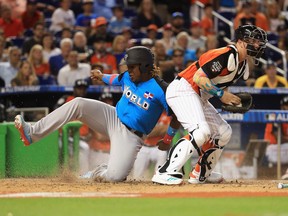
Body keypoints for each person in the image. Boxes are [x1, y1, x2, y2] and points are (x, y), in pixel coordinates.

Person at [14, 46, 180, 182]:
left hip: (131, 135)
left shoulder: (161, 89)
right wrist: (102, 76)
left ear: (144, 66)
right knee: (78, 103)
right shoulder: (128, 77)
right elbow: (116, 78)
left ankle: (98, 172)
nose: (128, 71)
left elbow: (175, 116)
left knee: (114, 177)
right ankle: (32, 132)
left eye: (132, 67)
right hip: (112, 117)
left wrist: (167, 139)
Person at [152, 24, 268, 185]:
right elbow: (199, 78)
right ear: (241, 42)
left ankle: (200, 174)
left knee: (224, 132)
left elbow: (216, 84)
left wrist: (229, 98)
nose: (257, 45)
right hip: (183, 88)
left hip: (198, 95)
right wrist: (221, 95)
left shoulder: (242, 65)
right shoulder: (226, 54)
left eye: (258, 42)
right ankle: (165, 172)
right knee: (201, 132)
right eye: (253, 41)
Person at [54, 78, 92, 175]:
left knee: (85, 148)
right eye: (79, 88)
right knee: (59, 148)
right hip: (63, 136)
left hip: (79, 139)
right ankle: (57, 173)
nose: (81, 91)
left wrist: (89, 135)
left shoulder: (88, 103)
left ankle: (84, 175)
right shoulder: (66, 99)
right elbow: (55, 115)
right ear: (74, 89)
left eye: (84, 88)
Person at [132, 111, 171, 180]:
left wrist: (151, 130)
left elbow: (167, 130)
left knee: (162, 154)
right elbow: (141, 131)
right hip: (144, 147)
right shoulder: (145, 114)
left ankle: (159, 178)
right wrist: (159, 129)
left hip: (158, 147)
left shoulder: (166, 116)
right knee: (137, 176)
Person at [264, 96, 288, 180]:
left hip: (281, 149)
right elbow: (279, 139)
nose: (287, 107)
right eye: (286, 105)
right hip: (272, 149)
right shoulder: (277, 116)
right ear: (282, 107)